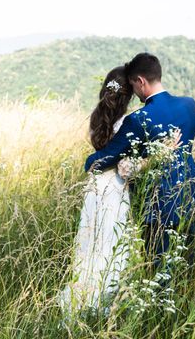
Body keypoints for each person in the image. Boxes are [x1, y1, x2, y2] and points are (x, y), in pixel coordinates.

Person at [84, 53, 195, 270]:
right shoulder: (189, 105)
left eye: (133, 86)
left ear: (140, 82)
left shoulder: (138, 119)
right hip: (191, 197)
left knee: (158, 274)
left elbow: (98, 162)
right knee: (187, 270)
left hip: (159, 206)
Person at [58, 66, 134, 315]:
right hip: (115, 188)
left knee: (89, 243)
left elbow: (99, 153)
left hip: (94, 187)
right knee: (110, 244)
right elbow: (120, 157)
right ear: (129, 94)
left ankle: (80, 300)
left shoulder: (96, 117)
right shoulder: (128, 123)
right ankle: (101, 305)